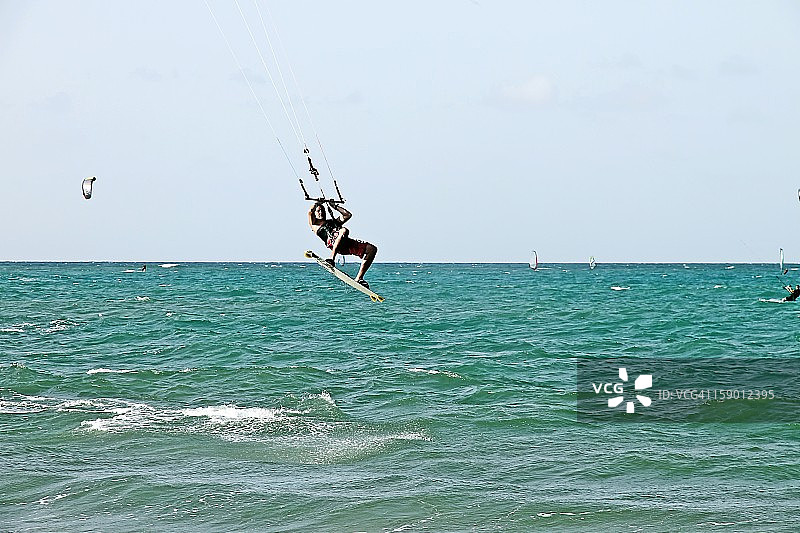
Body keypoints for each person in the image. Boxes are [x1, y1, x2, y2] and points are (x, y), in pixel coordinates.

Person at [308, 201, 377, 288]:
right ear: (315, 213)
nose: (321, 212)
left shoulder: (333, 221)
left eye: (322, 210)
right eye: (318, 211)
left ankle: (359, 278)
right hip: (333, 243)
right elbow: (310, 212)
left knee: (372, 249)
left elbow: (347, 215)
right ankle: (331, 259)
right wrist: (317, 203)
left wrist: (334, 206)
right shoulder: (315, 225)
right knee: (344, 230)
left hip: (346, 243)